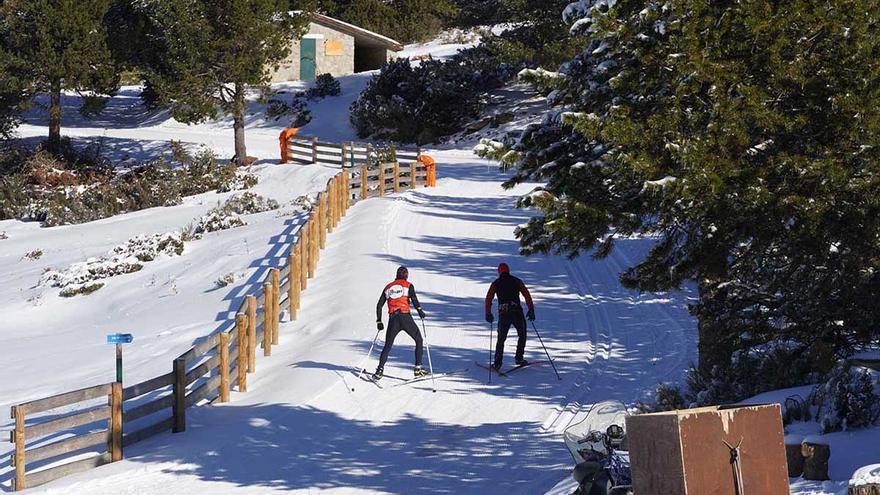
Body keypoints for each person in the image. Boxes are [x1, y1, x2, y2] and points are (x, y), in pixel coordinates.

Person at [374, 266, 428, 380]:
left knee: (388, 345)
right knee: (419, 340)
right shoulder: (408, 285)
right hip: (405, 316)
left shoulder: (388, 287)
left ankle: (379, 370)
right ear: (406, 275)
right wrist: (420, 312)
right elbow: (414, 300)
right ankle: (418, 369)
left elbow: (379, 305)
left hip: (393, 318)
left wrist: (379, 321)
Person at [485, 262, 535, 371]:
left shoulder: (496, 283)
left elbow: (489, 299)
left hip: (504, 314)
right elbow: (527, 295)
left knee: (501, 339)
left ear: (499, 272)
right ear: (508, 271)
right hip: (517, 311)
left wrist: (488, 313)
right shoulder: (516, 281)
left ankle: (497, 363)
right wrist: (531, 309)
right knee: (522, 335)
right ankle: (519, 358)